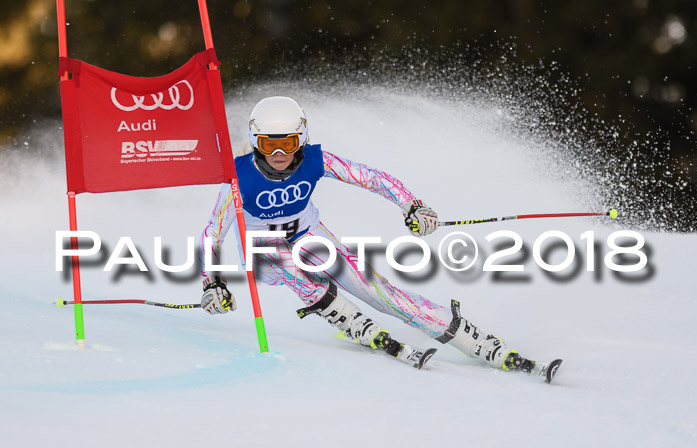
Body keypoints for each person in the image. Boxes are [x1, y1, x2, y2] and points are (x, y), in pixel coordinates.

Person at [199, 96, 560, 380]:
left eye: (289, 142)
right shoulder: (237, 177)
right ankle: (350, 320)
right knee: (282, 262)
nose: (279, 154)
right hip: (264, 254)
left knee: (380, 291)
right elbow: (212, 232)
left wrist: (411, 205)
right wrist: (212, 282)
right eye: (268, 144)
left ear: (303, 137)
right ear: (253, 140)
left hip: (310, 238)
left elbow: (371, 177)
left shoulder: (315, 161)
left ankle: (473, 339)